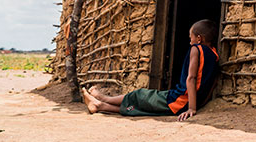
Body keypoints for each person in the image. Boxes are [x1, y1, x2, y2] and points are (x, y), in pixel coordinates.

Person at [81, 19, 219, 121]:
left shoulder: (197, 49)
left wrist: (192, 108)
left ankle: (104, 98)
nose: (190, 42)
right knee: (141, 108)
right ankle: (99, 105)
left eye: (191, 38)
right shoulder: (215, 55)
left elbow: (191, 78)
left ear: (199, 38)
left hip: (179, 100)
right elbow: (212, 83)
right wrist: (200, 103)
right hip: (186, 102)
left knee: (139, 95)